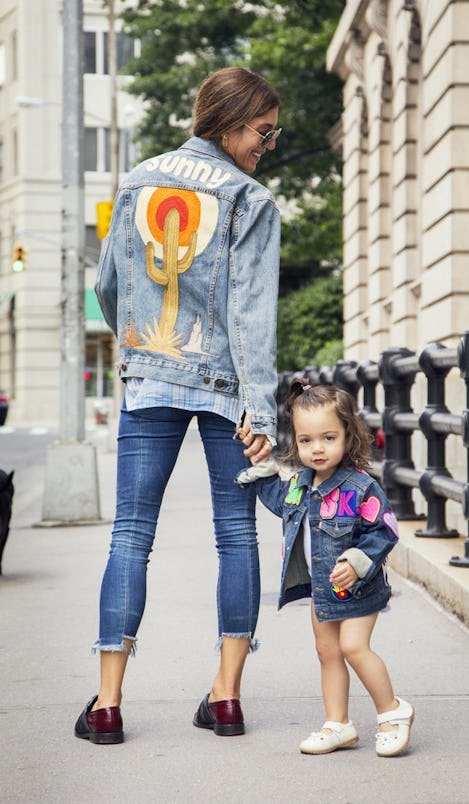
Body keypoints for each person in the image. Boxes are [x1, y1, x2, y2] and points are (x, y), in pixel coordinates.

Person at [75, 66, 282, 744]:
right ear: (227, 121)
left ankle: (107, 705)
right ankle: (226, 698)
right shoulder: (251, 200)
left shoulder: (137, 181)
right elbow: (251, 317)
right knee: (238, 535)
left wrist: (136, 349)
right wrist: (263, 413)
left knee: (131, 534)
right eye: (262, 132)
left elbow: (106, 282)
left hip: (151, 378)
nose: (267, 146)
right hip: (226, 390)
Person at [236, 380, 414, 757]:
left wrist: (356, 561)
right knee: (327, 651)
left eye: (328, 438)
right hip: (322, 590)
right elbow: (283, 504)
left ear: (348, 435)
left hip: (360, 588)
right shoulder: (300, 482)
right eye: (305, 441)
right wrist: (263, 471)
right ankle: (338, 724)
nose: (316, 449)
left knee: (353, 646)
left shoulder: (361, 487)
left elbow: (385, 530)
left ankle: (392, 712)